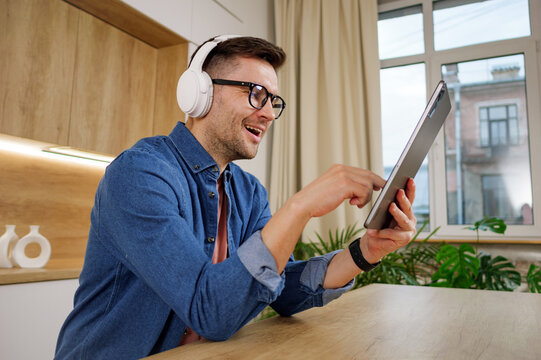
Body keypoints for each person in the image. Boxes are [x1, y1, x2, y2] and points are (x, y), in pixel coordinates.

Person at [55, 35, 417, 359]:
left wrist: (366, 251)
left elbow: (283, 289)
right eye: (255, 93)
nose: (268, 113)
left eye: (273, 100)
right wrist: (301, 206)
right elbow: (208, 311)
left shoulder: (248, 192)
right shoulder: (139, 174)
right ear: (201, 93)